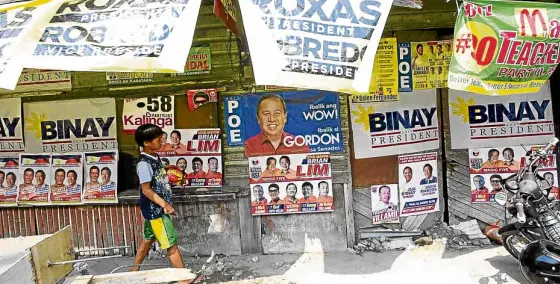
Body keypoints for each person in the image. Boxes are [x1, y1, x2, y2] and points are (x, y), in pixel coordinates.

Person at [131, 124, 186, 275]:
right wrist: (165, 204)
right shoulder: (143, 164)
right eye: (157, 139)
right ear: (146, 143)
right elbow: (146, 189)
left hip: (154, 210)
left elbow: (157, 181)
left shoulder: (154, 157)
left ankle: (133, 271)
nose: (162, 141)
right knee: (171, 244)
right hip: (156, 211)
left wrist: (173, 179)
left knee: (148, 240)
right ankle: (185, 278)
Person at [244, 94, 310, 157]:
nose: (272, 119)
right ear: (258, 118)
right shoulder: (249, 146)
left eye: (277, 113)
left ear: (285, 117)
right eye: (266, 114)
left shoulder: (300, 144)